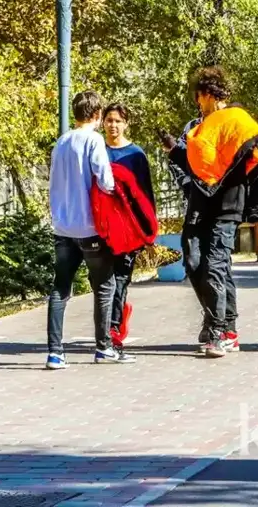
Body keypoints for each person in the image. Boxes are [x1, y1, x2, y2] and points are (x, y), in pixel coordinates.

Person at [163, 66, 258, 358]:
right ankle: (225, 324)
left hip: (228, 206)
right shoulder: (198, 128)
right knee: (194, 261)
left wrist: (255, 208)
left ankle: (218, 331)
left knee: (215, 264)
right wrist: (174, 150)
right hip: (199, 204)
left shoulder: (237, 121)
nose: (197, 104)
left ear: (209, 95)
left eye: (199, 98)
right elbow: (199, 167)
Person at [45, 91, 132, 369]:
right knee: (104, 285)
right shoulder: (94, 140)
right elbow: (106, 181)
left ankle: (55, 353)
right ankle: (103, 347)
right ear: (97, 115)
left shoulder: (61, 142)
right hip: (90, 227)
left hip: (63, 227)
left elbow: (54, 182)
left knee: (60, 287)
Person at [102, 103, 156, 350]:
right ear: (103, 122)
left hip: (128, 227)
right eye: (109, 120)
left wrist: (148, 230)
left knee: (121, 276)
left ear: (126, 124)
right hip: (102, 225)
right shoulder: (97, 150)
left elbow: (145, 194)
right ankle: (117, 314)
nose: (113, 125)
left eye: (117, 121)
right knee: (101, 277)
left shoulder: (136, 155)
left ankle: (113, 327)